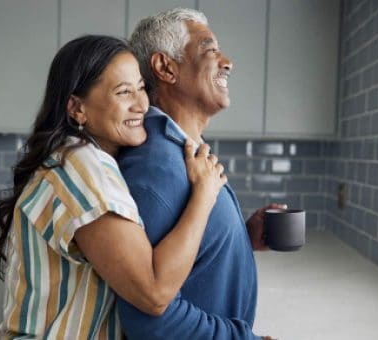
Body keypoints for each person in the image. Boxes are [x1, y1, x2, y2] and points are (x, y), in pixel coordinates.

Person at [0, 35, 228, 339]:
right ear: (77, 108)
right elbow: (154, 292)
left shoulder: (80, 159)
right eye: (123, 92)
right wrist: (204, 195)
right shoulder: (82, 167)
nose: (141, 103)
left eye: (141, 87)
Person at [117, 8, 283, 340]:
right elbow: (151, 323)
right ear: (166, 68)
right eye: (209, 50)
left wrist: (240, 237)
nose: (227, 62)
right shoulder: (157, 167)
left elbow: (186, 257)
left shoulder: (183, 150)